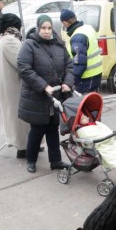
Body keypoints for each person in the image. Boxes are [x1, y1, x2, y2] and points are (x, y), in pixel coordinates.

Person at [17, 14, 74, 174]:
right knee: (37, 130)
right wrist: (43, 86)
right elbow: (24, 68)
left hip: (55, 97)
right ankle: (31, 160)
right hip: (37, 97)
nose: (47, 31)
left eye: (49, 28)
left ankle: (55, 161)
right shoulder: (29, 45)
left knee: (53, 128)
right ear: (38, 28)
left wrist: (67, 83)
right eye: (43, 28)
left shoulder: (59, 45)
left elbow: (69, 66)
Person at [0, 12, 33, 159]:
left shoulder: (2, 38)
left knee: (15, 117)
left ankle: (24, 146)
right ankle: (24, 148)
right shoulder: (10, 40)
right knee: (20, 120)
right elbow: (21, 61)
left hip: (7, 85)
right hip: (14, 86)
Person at [60, 8, 102, 94]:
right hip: (96, 74)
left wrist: (71, 82)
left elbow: (79, 63)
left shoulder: (78, 36)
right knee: (93, 103)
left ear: (65, 23)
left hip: (86, 78)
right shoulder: (87, 28)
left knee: (84, 104)